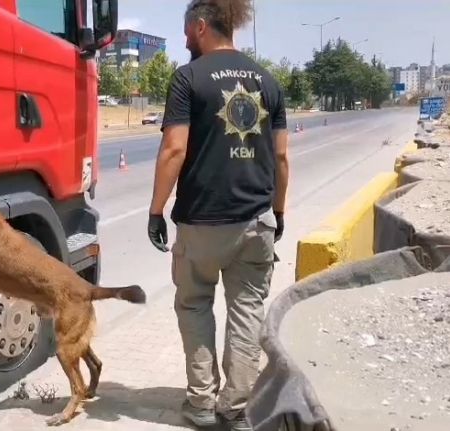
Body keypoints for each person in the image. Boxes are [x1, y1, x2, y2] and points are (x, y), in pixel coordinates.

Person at [146, 0, 289, 429]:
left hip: (202, 222)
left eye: (188, 31)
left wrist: (156, 211)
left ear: (202, 25)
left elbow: (174, 148)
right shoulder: (268, 80)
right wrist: (279, 210)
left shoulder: (189, 78)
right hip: (255, 221)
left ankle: (202, 404)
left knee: (194, 306)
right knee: (248, 310)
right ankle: (237, 408)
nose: (185, 39)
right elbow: (281, 158)